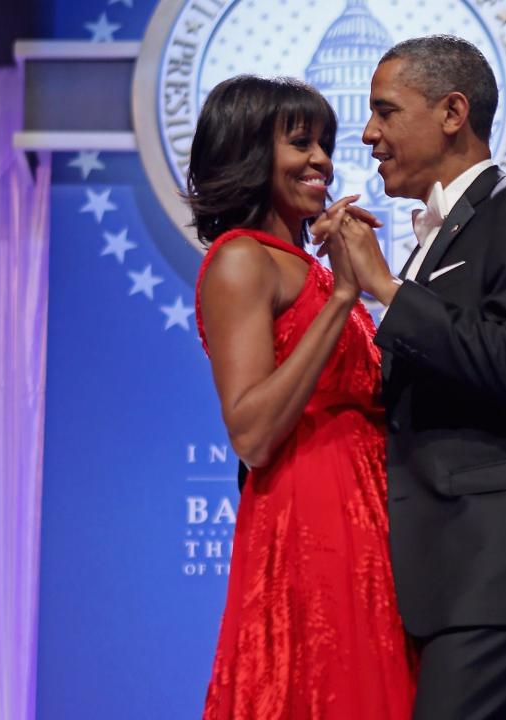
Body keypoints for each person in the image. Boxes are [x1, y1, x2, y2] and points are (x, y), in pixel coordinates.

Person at [326, 36, 506, 719]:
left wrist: (387, 290)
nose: (368, 133)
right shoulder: (432, 239)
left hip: (503, 571)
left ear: (453, 112)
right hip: (446, 581)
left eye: (385, 112)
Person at [188, 75, 415, 720]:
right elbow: (253, 432)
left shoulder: (308, 263)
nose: (321, 160)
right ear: (249, 154)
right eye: (300, 143)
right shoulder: (241, 261)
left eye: (324, 144)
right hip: (312, 516)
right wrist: (344, 297)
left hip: (371, 513)